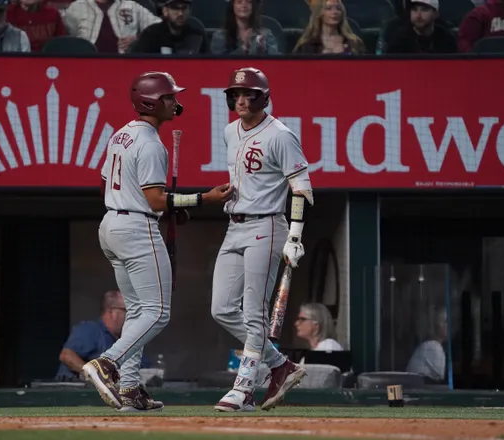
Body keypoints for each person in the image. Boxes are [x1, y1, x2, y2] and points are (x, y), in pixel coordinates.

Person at [83, 71, 233, 412]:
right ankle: (107, 363)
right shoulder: (151, 143)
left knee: (138, 310)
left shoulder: (121, 134)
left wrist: (168, 207)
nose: (175, 102)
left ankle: (131, 388)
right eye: (169, 97)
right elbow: (153, 199)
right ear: (151, 101)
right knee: (158, 311)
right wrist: (202, 199)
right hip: (136, 228)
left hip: (112, 223)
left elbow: (111, 181)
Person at [211, 67, 314, 412]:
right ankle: (280, 366)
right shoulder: (229, 131)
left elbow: (300, 185)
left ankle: (244, 389)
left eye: (248, 94)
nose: (241, 100)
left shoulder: (280, 135)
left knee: (254, 312)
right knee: (222, 308)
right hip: (234, 224)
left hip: (267, 226)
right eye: (236, 94)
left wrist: (295, 234)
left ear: (263, 97)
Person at [54, 290, 151, 382]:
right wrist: (96, 376)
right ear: (111, 312)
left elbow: (144, 368)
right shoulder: (91, 330)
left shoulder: (130, 339)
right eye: (128, 311)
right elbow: (66, 356)